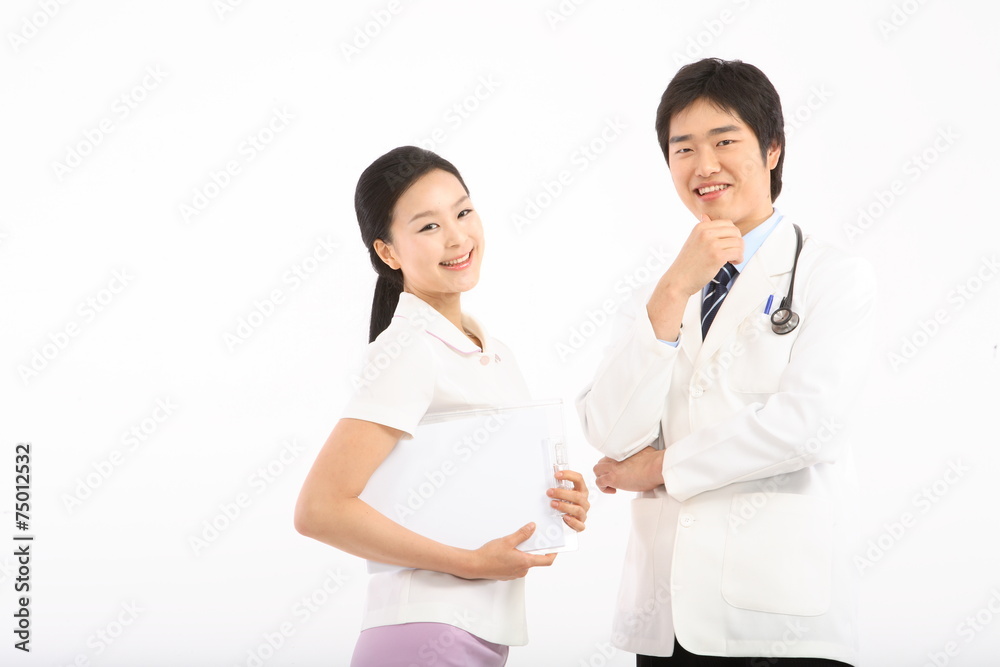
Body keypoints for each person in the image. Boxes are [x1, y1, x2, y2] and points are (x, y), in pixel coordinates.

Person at [576, 58, 875, 666]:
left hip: (778, 620)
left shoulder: (832, 276)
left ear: (772, 149)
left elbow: (808, 426)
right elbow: (608, 433)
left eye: (725, 141)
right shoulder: (661, 293)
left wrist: (661, 466)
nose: (704, 165)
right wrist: (672, 292)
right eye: (683, 148)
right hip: (666, 623)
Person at [295, 146, 590, 667]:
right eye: (429, 226)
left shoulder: (493, 351)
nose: (457, 238)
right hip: (427, 632)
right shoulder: (407, 349)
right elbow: (319, 509)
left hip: (472, 631)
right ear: (388, 252)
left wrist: (556, 502)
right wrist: (470, 563)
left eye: (463, 212)